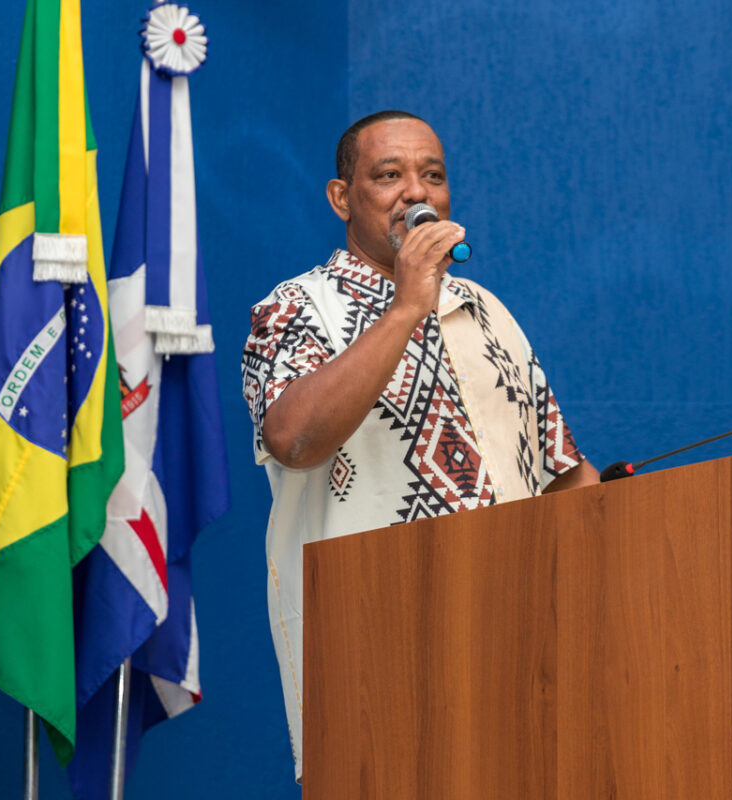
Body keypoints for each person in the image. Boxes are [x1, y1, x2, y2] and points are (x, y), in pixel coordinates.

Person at [241, 110, 599, 780]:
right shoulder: (293, 309)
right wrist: (405, 307)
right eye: (389, 175)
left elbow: (561, 473)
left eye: (432, 176)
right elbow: (293, 440)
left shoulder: (488, 311)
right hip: (377, 658)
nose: (417, 193)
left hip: (522, 641)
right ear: (341, 197)